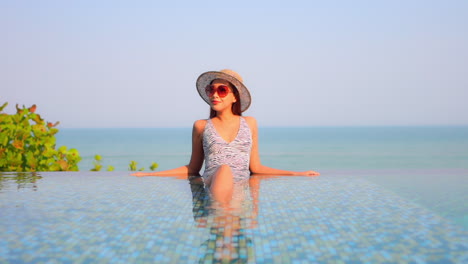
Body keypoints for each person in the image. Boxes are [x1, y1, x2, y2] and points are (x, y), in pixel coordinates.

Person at [132, 69, 319, 206]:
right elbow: (193, 169)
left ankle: (223, 225)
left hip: (241, 187)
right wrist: (151, 174)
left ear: (234, 97)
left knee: (230, 183)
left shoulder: (250, 123)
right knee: (223, 170)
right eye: (211, 89)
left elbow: (256, 168)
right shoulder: (201, 125)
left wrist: (297, 173)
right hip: (214, 181)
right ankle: (222, 220)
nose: (214, 94)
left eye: (222, 90)